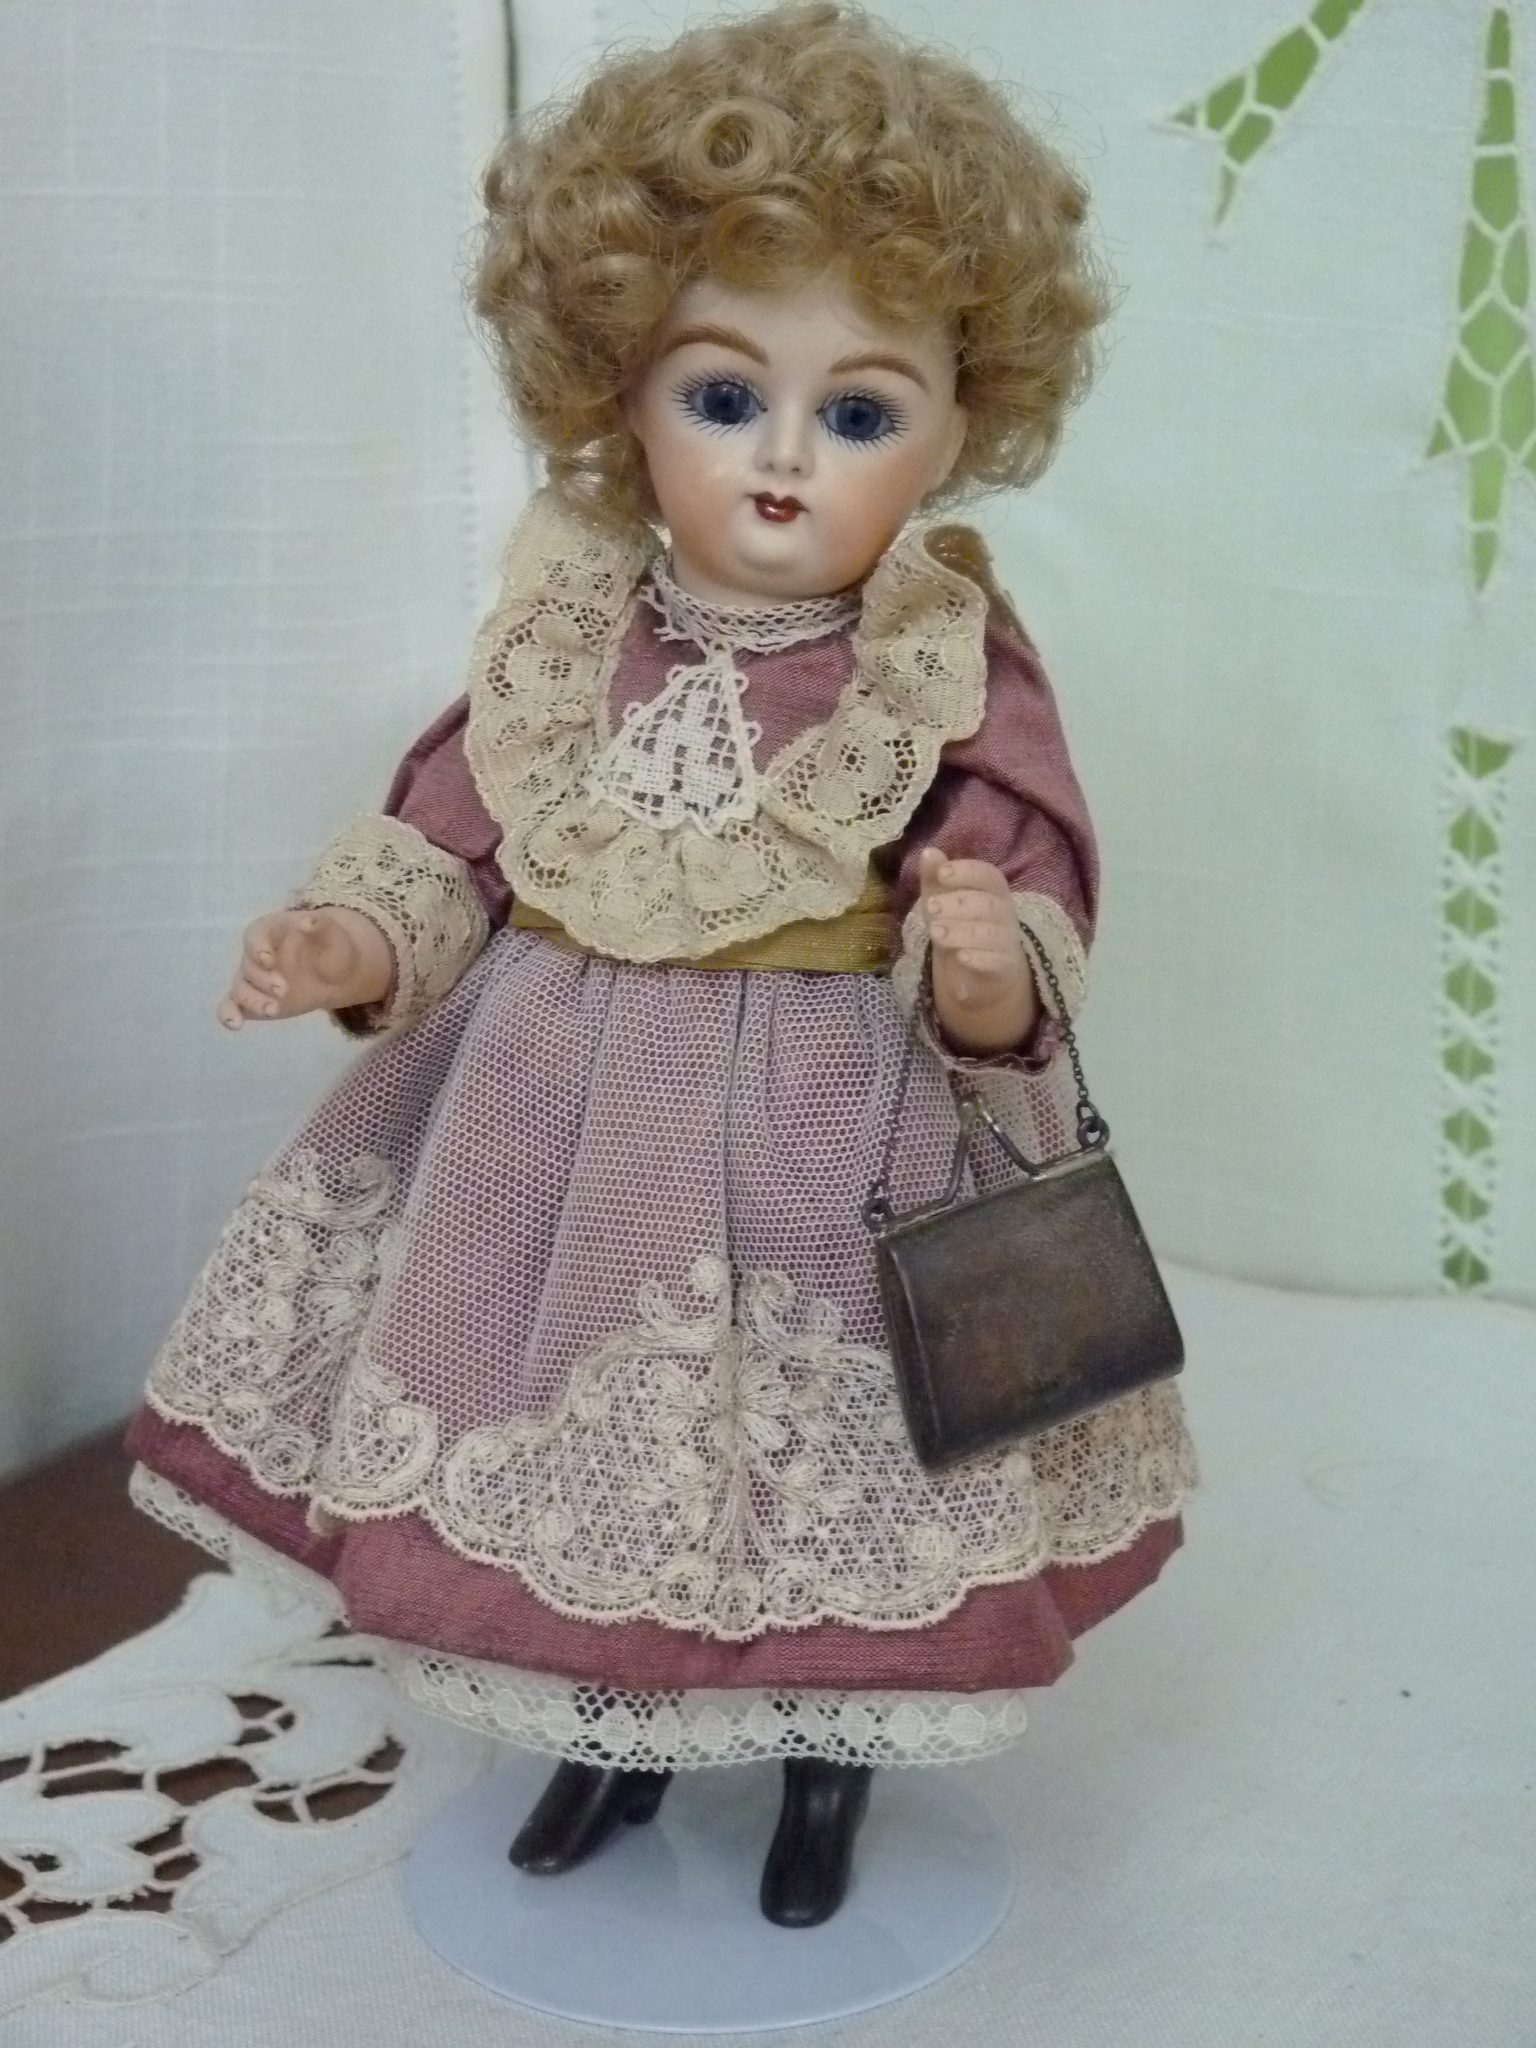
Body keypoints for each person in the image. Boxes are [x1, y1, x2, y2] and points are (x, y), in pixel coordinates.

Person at [125, 0, 1198, 1930]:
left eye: (859, 413)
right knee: (580, 1446)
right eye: (723, 395)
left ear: (962, 426)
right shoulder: (572, 634)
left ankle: (825, 1763)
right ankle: (605, 1735)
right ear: (616, 390)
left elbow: (1030, 890)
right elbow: (455, 833)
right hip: (554, 1137)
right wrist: (351, 936)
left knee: (821, 1462)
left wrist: (981, 965)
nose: (783, 459)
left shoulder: (933, 660)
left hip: (836, 1140)